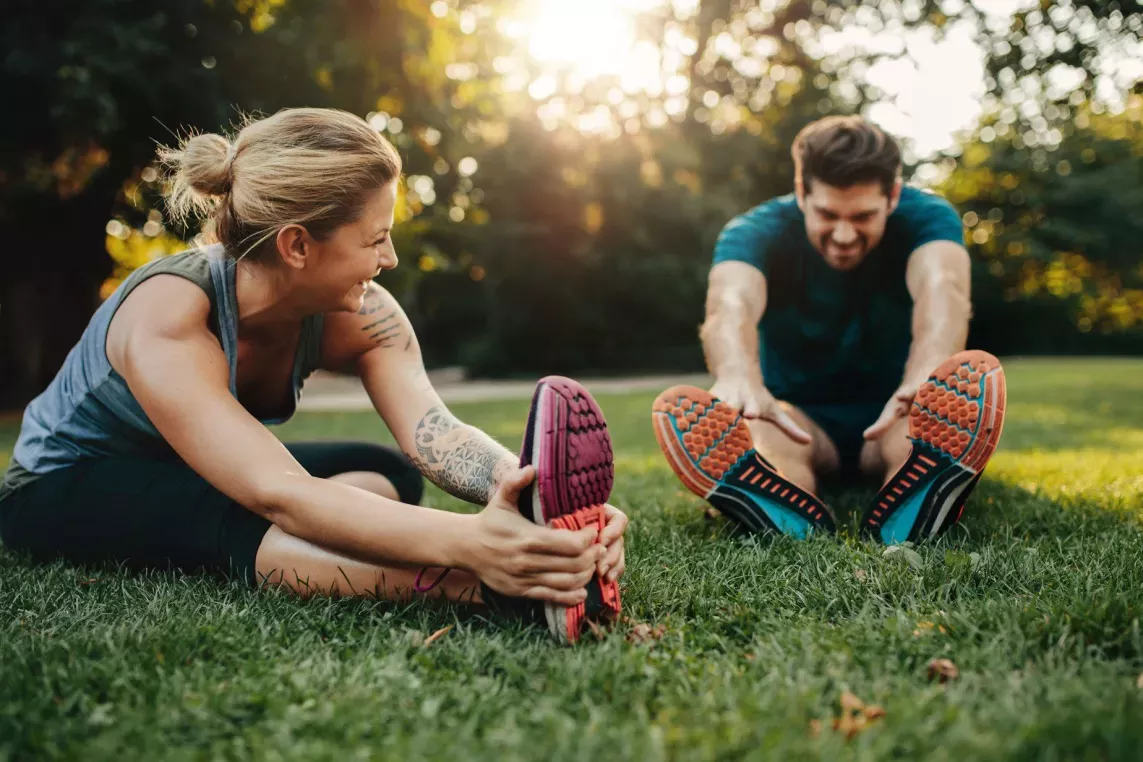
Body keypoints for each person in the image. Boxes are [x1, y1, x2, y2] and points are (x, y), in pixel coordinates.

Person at [0, 107, 627, 642]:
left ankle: (481, 562)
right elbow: (281, 492)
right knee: (250, 511)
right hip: (63, 485)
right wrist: (475, 546)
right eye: (375, 239)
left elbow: (434, 432)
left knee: (390, 473)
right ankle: (489, 592)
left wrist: (534, 502)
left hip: (195, 471)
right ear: (298, 246)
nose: (391, 258)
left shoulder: (362, 313)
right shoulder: (169, 316)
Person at [652, 115, 1006, 544]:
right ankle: (783, 503)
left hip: (893, 410)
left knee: (916, 436)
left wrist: (925, 378)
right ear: (801, 192)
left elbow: (942, 287)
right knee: (765, 435)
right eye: (826, 214)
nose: (842, 234)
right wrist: (738, 377)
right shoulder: (754, 231)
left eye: (862, 217)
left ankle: (919, 491)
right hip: (799, 417)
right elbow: (731, 302)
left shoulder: (928, 217)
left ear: (893, 196)